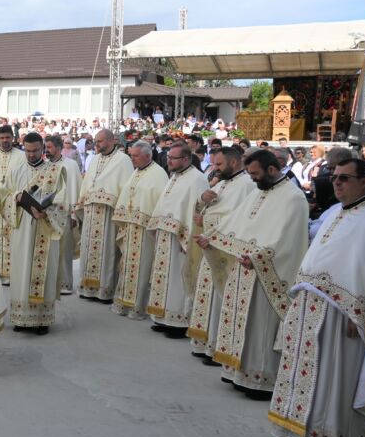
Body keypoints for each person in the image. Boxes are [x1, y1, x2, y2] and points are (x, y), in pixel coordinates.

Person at [268, 158, 365, 437]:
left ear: (364, 181)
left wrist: (363, 316)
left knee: (338, 376)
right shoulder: (336, 211)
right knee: (313, 372)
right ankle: (305, 429)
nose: (337, 183)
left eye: (345, 178)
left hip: (345, 314)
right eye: (334, 177)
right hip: (313, 306)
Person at [195, 150, 309, 399]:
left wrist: (258, 259)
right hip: (243, 267)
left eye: (256, 173)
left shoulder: (293, 198)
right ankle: (238, 371)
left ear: (271, 169)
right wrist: (212, 240)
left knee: (260, 327)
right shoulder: (259, 190)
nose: (253, 179)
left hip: (267, 273)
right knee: (239, 321)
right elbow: (236, 222)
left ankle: (260, 380)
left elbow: (289, 241)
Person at [187, 147, 256, 364]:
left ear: (234, 163)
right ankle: (205, 343)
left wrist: (206, 221)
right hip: (211, 247)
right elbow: (208, 209)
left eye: (218, 164)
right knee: (207, 296)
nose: (214, 169)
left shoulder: (246, 186)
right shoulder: (224, 182)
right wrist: (201, 200)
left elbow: (239, 221)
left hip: (225, 252)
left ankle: (218, 347)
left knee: (220, 300)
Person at [2, 132, 68, 334]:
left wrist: (47, 212)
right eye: (28, 151)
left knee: (44, 272)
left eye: (36, 150)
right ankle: (21, 319)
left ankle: (41, 321)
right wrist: (17, 198)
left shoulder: (56, 171)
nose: (32, 155)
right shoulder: (16, 170)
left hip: (46, 228)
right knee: (22, 271)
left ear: (43, 149)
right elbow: (5, 199)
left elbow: (64, 202)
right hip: (22, 229)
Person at [144, 143, 209, 338]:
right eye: (169, 157)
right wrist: (155, 225)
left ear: (187, 159)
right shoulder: (175, 176)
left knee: (178, 279)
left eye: (173, 158)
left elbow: (197, 210)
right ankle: (162, 317)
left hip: (181, 239)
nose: (169, 161)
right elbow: (164, 203)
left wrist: (189, 239)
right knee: (163, 277)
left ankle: (178, 322)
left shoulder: (197, 179)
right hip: (165, 234)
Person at [109, 141, 168, 319]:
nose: (132, 159)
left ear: (147, 156)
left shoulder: (159, 174)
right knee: (127, 266)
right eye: (131, 155)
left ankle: (138, 307)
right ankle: (124, 303)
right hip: (130, 228)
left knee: (142, 267)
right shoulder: (137, 171)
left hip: (145, 229)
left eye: (135, 155)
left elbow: (158, 202)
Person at [76, 129, 133, 303]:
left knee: (107, 252)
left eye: (99, 141)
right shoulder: (95, 159)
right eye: (95, 141)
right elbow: (88, 183)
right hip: (91, 212)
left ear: (110, 141)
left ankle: (105, 290)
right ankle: (88, 288)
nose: (96, 144)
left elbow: (127, 188)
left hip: (109, 213)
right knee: (88, 249)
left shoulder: (123, 160)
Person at [0, 125, 27, 284]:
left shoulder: (22, 156)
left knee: (12, 240)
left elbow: (25, 178)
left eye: (8, 137)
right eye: (2, 138)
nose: (5, 141)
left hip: (14, 204)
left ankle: (12, 274)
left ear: (13, 138)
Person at [45, 136, 82, 295]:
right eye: (46, 147)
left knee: (65, 249)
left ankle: (66, 284)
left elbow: (75, 189)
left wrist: (74, 215)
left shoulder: (71, 165)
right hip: (48, 214)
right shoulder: (46, 166)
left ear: (59, 148)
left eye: (50, 147)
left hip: (65, 213)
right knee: (50, 250)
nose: (47, 150)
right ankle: (52, 283)